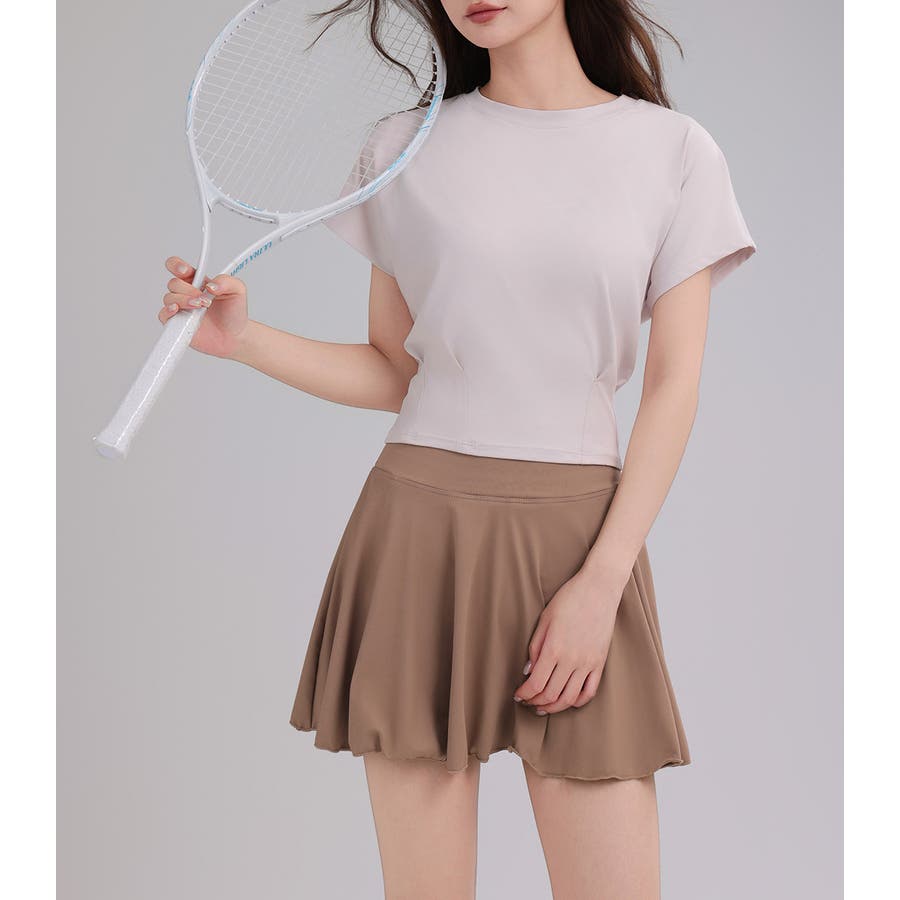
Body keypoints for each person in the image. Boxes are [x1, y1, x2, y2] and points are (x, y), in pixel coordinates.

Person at [158, 1, 756, 896]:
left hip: (580, 543)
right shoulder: (404, 147)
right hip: (417, 534)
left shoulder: (672, 151)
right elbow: (397, 371)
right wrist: (242, 339)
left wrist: (601, 584)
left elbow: (675, 385)